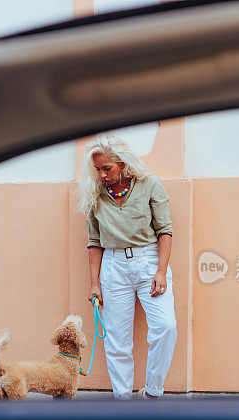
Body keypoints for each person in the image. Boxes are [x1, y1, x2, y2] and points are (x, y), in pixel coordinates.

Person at [77, 133, 177, 399]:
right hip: (113, 266)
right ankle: (123, 401)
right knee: (117, 342)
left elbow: (165, 231)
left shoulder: (150, 185)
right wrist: (94, 283)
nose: (101, 174)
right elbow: (94, 242)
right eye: (97, 169)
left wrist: (161, 271)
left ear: (122, 163)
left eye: (106, 168)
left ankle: (153, 392)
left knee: (166, 327)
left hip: (149, 260)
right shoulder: (95, 195)